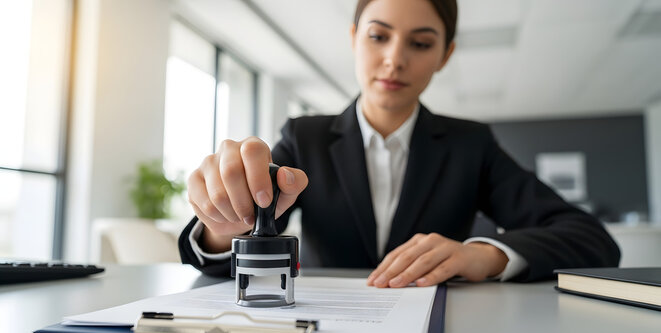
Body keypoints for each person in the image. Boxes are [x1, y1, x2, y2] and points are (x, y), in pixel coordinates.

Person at [178, 0, 620, 287]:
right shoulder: (304, 136)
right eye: (378, 36)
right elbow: (235, 247)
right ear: (354, 39)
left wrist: (485, 256)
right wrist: (227, 226)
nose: (394, 58)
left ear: (445, 55)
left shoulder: (471, 145)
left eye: (421, 43)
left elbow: (592, 240)